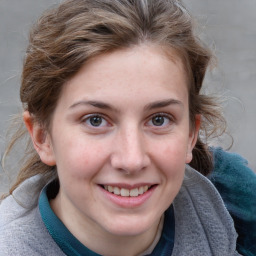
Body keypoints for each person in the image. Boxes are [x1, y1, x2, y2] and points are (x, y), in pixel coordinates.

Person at [0, 0, 255, 255]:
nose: (132, 160)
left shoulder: (233, 201)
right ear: (42, 136)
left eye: (159, 119)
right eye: (95, 120)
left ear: (191, 134)